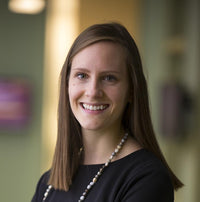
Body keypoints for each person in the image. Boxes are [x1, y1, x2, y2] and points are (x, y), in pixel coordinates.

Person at [32, 22, 183, 202]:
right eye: (82, 75)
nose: (93, 91)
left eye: (109, 78)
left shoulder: (147, 178)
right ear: (66, 85)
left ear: (131, 91)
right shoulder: (48, 183)